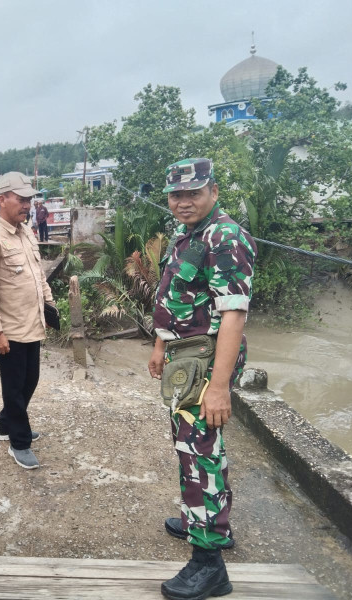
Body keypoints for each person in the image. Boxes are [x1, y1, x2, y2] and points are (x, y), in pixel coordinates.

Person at [148, 158, 256, 600]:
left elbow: (233, 315)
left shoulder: (225, 236)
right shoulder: (188, 233)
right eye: (177, 194)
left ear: (212, 190)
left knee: (200, 453)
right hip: (184, 357)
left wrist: (218, 386)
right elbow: (175, 293)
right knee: (196, 449)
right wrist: (160, 344)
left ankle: (209, 562)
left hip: (208, 363)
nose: (184, 201)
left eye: (193, 192)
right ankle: (205, 518)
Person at [0, 172, 56, 470]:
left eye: (29, 199)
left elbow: (38, 275)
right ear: (2, 199)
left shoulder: (25, 232)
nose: (27, 205)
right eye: (21, 199)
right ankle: (19, 442)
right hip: (9, 329)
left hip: (31, 322)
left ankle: (5, 424)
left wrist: (50, 305)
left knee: (29, 381)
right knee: (14, 386)